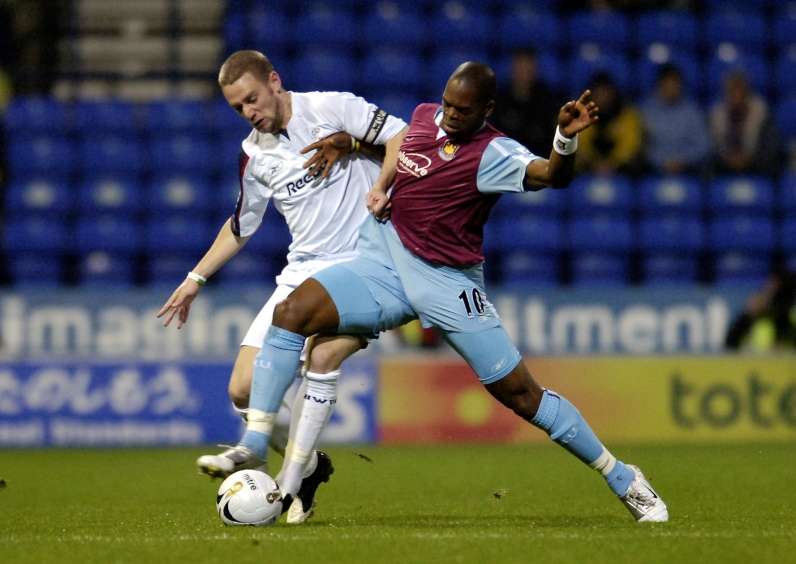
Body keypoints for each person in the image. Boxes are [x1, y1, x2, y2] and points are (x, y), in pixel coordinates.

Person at [232, 62, 669, 522]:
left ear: (487, 109)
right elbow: (394, 150)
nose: (450, 116)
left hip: (449, 282)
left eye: (463, 110)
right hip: (385, 265)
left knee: (522, 395)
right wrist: (352, 143)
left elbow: (551, 176)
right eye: (447, 104)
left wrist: (565, 138)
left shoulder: (493, 151)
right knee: (291, 311)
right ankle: (259, 443)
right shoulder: (422, 118)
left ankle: (622, 476)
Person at [156, 50, 407, 523]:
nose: (249, 112)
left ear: (274, 81)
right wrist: (194, 279)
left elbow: (401, 137)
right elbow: (240, 226)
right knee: (242, 390)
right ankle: (309, 468)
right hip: (301, 271)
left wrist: (381, 184)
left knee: (321, 358)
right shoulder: (254, 155)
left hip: (361, 265)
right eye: (238, 108)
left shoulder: (332, 107)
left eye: (252, 99)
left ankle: (287, 474)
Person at [640, 63, 710, 175]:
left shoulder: (692, 111)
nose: (672, 88)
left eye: (675, 84)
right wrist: (662, 161)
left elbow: (703, 145)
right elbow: (642, 145)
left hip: (688, 170)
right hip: (654, 169)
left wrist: (683, 161)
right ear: (659, 85)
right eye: (667, 84)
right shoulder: (646, 111)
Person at [492, 48, 560, 157]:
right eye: (520, 67)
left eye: (527, 67)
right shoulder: (499, 100)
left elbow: (553, 137)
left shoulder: (547, 99)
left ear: (535, 70)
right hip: (506, 162)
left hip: (539, 161)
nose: (523, 72)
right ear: (512, 69)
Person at [709, 70, 780, 176]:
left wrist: (750, 157)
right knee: (708, 163)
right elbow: (711, 143)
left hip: (755, 161)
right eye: (732, 90)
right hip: (724, 161)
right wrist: (726, 157)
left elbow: (771, 143)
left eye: (740, 90)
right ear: (726, 92)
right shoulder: (717, 113)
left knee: (772, 161)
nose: (736, 94)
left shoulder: (761, 111)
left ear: (747, 91)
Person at [576, 71, 643, 176]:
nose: (603, 97)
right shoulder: (581, 115)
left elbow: (630, 144)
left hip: (620, 168)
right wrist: (594, 163)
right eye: (598, 93)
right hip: (589, 167)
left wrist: (613, 163)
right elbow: (581, 145)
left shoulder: (627, 115)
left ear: (613, 93)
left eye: (606, 93)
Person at [725, 266, 796, 352]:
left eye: (772, 286)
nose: (767, 288)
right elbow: (730, 343)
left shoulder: (784, 318)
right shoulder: (750, 317)